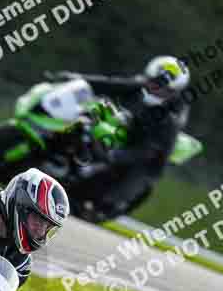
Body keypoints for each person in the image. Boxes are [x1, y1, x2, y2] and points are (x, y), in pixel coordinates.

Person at [53, 55, 191, 213]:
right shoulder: (139, 86)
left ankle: (96, 204)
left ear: (173, 92)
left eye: (162, 88)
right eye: (152, 82)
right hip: (126, 132)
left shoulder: (169, 119)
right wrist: (76, 78)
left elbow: (147, 151)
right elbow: (110, 84)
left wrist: (113, 156)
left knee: (117, 172)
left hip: (145, 154)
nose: (154, 89)